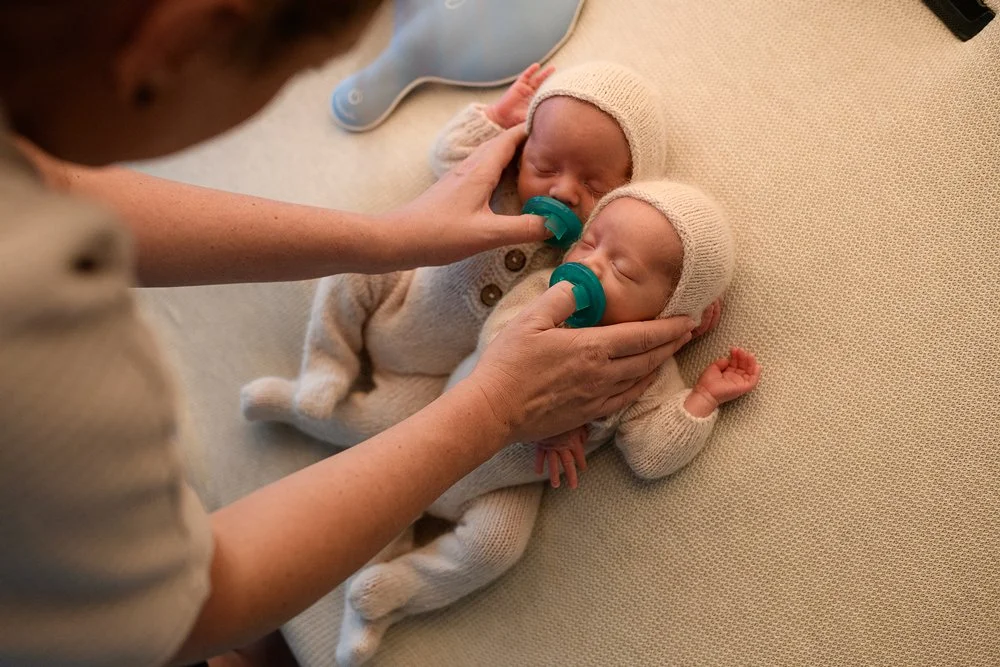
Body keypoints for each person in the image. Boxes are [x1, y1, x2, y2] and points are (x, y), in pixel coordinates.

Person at [0, 1, 697, 665]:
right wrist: (495, 408)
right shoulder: (51, 360)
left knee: (485, 535)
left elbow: (52, 184)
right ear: (176, 41)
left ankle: (380, 582)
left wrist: (386, 238)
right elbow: (184, 609)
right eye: (303, 74)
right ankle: (311, 386)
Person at [334, 180, 762, 665]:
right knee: (381, 500)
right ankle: (358, 585)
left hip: (505, 484)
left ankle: (395, 591)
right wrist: (550, 423)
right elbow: (496, 341)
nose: (589, 265)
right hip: (435, 428)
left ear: (674, 310)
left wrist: (700, 399)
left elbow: (649, 454)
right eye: (589, 241)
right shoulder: (542, 296)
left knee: (495, 548)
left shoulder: (646, 373)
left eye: (621, 268)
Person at [239, 61, 669, 444]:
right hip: (402, 292)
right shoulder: (494, 186)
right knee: (350, 270)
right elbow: (447, 156)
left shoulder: (585, 261)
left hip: (432, 375)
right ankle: (326, 366)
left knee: (393, 429)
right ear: (522, 153)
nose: (562, 190)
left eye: (594, 187)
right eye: (545, 167)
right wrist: (496, 121)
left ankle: (297, 410)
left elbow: (623, 299)